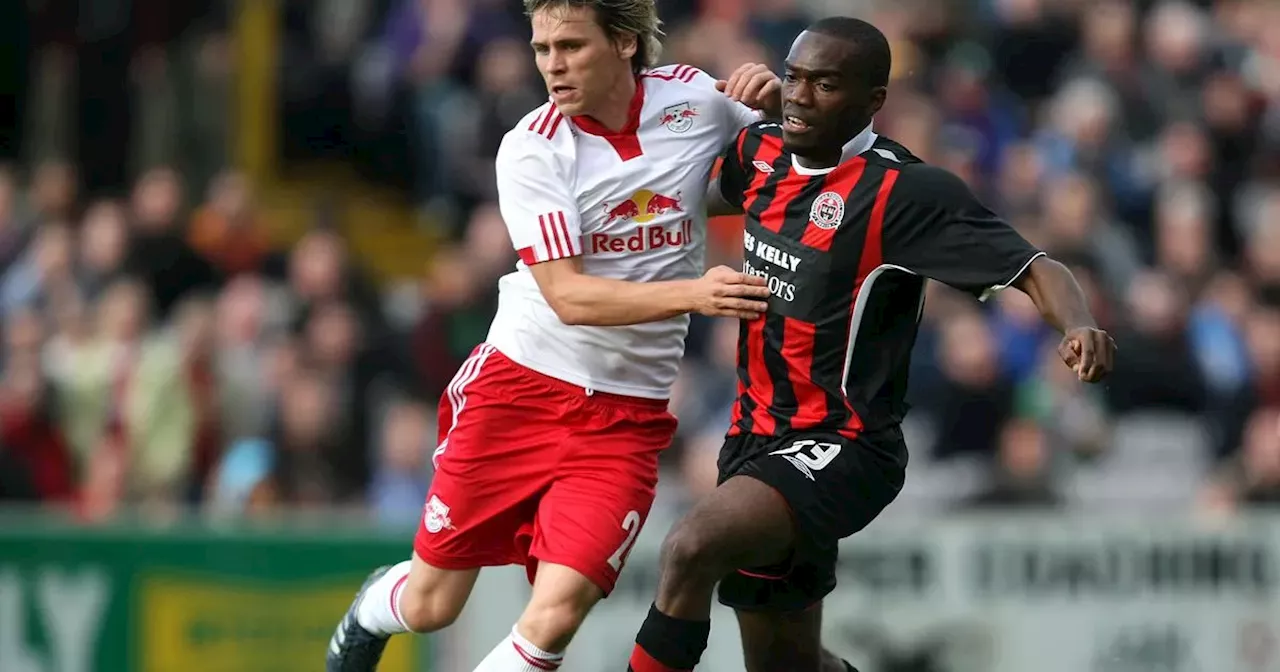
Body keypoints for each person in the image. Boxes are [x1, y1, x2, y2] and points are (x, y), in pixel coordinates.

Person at [626, 17, 1116, 672]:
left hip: (846, 444)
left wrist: (1078, 322)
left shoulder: (905, 192)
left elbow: (1035, 267)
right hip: (752, 439)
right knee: (784, 664)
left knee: (690, 546)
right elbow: (675, 205)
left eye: (824, 84)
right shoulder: (759, 154)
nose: (799, 95)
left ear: (872, 100)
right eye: (795, 78)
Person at [326, 1, 785, 671]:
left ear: (625, 43)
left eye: (570, 45)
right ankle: (372, 604)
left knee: (554, 618)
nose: (552, 65)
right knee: (432, 605)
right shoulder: (531, 147)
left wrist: (770, 106)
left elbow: (781, 164)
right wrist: (696, 292)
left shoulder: (692, 100)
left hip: (626, 416)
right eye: (542, 49)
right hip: (521, 390)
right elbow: (568, 297)